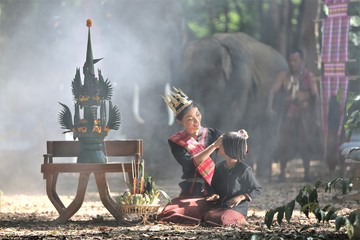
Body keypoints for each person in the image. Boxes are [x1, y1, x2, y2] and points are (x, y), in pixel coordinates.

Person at [157, 87, 225, 225]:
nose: (197, 121)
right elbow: (190, 163)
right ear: (179, 122)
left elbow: (235, 150)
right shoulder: (176, 142)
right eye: (190, 119)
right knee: (169, 212)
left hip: (213, 191)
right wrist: (214, 146)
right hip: (191, 192)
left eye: (198, 115)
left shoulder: (213, 134)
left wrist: (240, 138)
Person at [266, 49, 321, 181]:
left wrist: (318, 117)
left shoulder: (308, 76)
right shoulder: (284, 76)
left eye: (295, 60)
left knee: (306, 142)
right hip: (288, 116)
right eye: (290, 61)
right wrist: (269, 108)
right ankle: (282, 173)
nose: (292, 63)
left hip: (304, 115)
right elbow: (272, 91)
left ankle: (307, 173)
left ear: (301, 61)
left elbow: (315, 96)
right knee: (284, 142)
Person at [203, 131, 263, 227]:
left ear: (229, 147)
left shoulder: (244, 169)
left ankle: (240, 219)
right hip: (221, 205)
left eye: (221, 144)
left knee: (223, 219)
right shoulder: (219, 167)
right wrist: (213, 194)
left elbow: (257, 189)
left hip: (237, 208)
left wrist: (241, 197)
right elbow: (211, 185)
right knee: (207, 216)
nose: (219, 146)